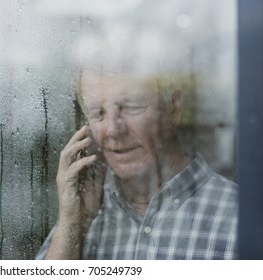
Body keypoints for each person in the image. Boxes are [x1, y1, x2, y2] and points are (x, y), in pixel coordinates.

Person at [36, 56, 238, 259]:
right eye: (98, 113)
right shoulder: (82, 216)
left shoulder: (239, 215)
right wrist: (72, 226)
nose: (113, 130)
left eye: (132, 107)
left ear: (174, 107)